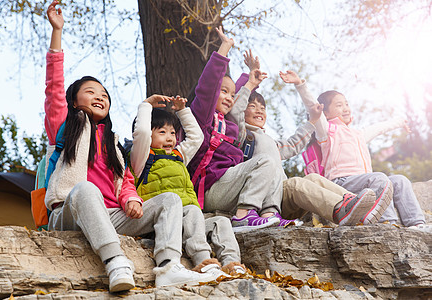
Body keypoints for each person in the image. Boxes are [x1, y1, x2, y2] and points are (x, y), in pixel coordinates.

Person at [44, 1, 214, 292]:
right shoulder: (65, 126)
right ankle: (115, 260)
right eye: (90, 92)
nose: (99, 97)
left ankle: (169, 266)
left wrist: (131, 200)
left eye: (104, 94)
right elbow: (54, 89)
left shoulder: (112, 143)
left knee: (171, 200)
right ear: (75, 101)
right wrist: (57, 33)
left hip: (110, 215)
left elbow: (125, 181)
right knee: (87, 189)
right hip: (70, 212)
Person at [229, 52, 380, 226]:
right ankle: (341, 209)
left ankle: (356, 204)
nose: (259, 110)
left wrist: (313, 121)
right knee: (296, 184)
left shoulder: (271, 142)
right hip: (261, 199)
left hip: (280, 196)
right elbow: (235, 112)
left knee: (314, 178)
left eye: (262, 108)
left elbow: (293, 144)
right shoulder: (241, 135)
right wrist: (249, 83)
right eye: (252, 106)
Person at [283, 69, 427, 229]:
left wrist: (400, 121)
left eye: (346, 104)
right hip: (342, 182)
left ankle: (417, 224)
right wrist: (300, 85)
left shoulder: (358, 134)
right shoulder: (326, 131)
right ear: (326, 112)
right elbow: (313, 108)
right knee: (379, 178)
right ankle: (386, 224)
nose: (345, 108)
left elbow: (379, 128)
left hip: (365, 182)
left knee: (400, 180)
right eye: (339, 105)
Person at [129, 95, 246, 275]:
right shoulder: (142, 159)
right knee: (192, 210)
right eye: (162, 132)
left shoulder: (178, 156)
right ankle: (204, 260)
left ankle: (233, 264)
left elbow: (196, 137)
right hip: (164, 222)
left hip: (191, 223)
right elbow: (142, 133)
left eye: (172, 133)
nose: (169, 138)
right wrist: (145, 106)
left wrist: (183, 111)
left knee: (220, 222)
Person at [187, 27, 285, 232]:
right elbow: (208, 86)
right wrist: (224, 47)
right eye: (223, 92)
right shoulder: (203, 117)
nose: (230, 97)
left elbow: (238, 100)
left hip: (229, 185)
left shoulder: (230, 124)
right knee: (264, 161)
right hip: (210, 188)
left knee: (273, 164)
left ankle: (269, 213)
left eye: (232, 94)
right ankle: (243, 215)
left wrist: (250, 80)